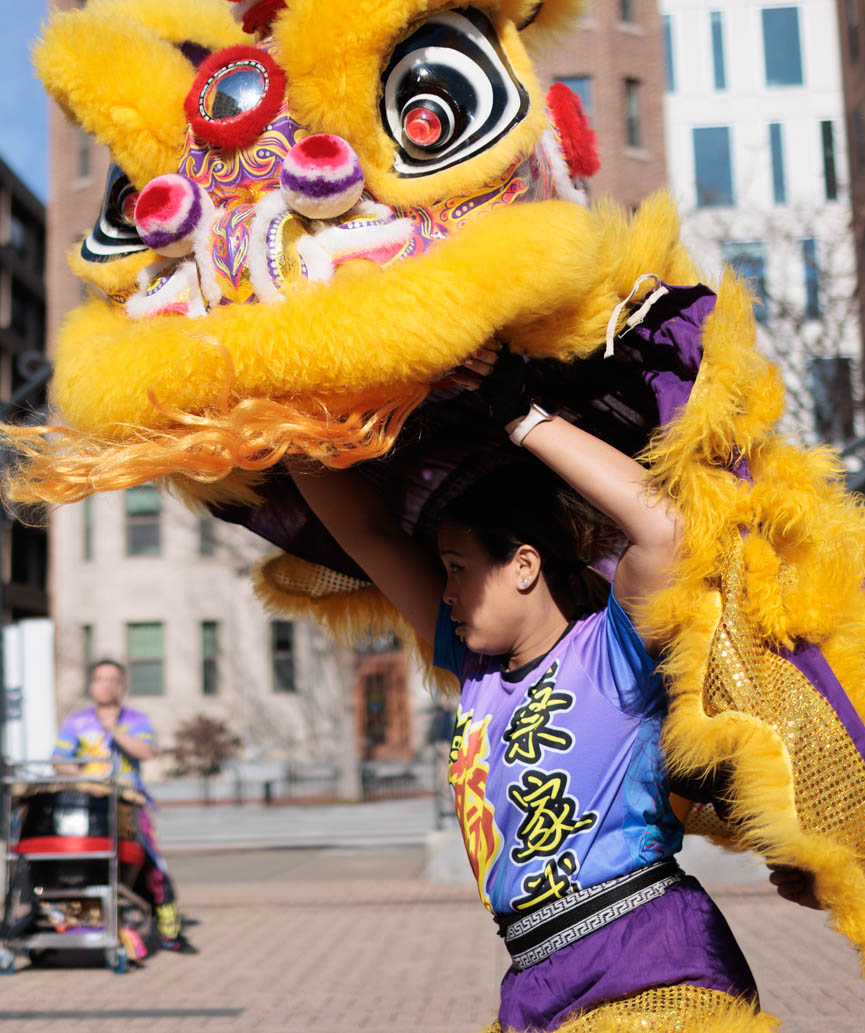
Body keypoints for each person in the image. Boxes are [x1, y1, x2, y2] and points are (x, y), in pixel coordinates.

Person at [290, 346, 765, 1033]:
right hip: (534, 978)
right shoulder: (476, 671)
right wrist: (287, 424)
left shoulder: (611, 651)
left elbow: (667, 530)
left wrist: (525, 420)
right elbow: (370, 538)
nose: (444, 590)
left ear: (523, 566)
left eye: (457, 568)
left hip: (652, 956)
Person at [52, 658, 195, 953]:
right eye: (99, 679)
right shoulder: (76, 722)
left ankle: (170, 933)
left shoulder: (136, 720)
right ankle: (80, 925)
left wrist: (114, 730)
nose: (106, 685)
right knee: (81, 866)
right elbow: (59, 759)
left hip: (128, 805)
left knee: (150, 866)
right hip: (88, 806)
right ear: (91, 685)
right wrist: (81, 775)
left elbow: (147, 751)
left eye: (112, 679)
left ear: (122, 686)